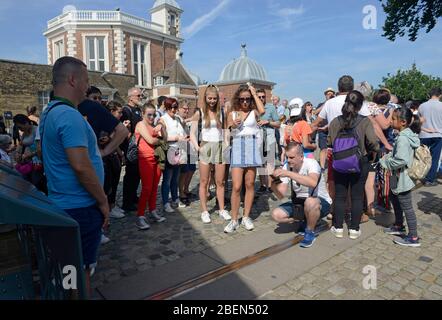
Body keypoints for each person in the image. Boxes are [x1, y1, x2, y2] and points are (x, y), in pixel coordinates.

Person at [39, 56, 108, 295]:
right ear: (72, 79)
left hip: (64, 204)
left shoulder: (50, 112)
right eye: (86, 80)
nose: (88, 87)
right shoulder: (69, 116)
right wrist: (102, 201)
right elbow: (80, 166)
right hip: (80, 208)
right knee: (80, 272)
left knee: (70, 271)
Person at [328, 90, 379, 239]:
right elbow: (373, 142)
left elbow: (330, 142)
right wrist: (374, 151)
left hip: (339, 161)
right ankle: (354, 229)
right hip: (360, 161)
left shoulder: (335, 121)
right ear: (360, 105)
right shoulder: (364, 121)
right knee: (357, 196)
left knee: (339, 196)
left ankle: (338, 228)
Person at [271, 142, 332, 248]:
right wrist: (272, 184)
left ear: (301, 157)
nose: (288, 160)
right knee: (276, 215)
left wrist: (289, 174)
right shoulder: (287, 166)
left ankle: (310, 231)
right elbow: (281, 195)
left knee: (310, 201)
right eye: (287, 157)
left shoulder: (312, 163)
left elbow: (312, 182)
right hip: (299, 202)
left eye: (291, 157)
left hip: (321, 201)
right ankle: (306, 220)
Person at [78, 99, 128, 221]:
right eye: (95, 98)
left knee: (113, 183)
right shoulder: (94, 115)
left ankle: (111, 206)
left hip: (110, 156)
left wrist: (119, 152)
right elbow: (107, 138)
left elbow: (121, 136)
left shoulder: (104, 118)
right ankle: (107, 210)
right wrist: (106, 149)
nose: (98, 101)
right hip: (99, 159)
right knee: (106, 186)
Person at [224, 83, 265, 233]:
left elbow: (262, 110)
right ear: (238, 99)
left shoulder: (254, 111)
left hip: (252, 145)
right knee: (236, 186)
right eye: (242, 99)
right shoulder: (233, 113)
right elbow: (228, 128)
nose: (245, 102)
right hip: (238, 146)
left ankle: (246, 216)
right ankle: (234, 219)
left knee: (249, 184)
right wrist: (234, 125)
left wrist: (254, 93)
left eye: (248, 99)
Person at [381, 107, 421, 247]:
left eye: (393, 119)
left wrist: (386, 161)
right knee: (394, 199)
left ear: (403, 122)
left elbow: (401, 160)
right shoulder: (405, 134)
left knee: (406, 206)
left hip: (402, 178)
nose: (391, 121)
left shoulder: (404, 138)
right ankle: (399, 225)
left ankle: (413, 236)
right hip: (396, 177)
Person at [190, 85, 230, 223]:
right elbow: (192, 133)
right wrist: (198, 147)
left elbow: (226, 130)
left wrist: (226, 144)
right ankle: (205, 211)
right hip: (205, 145)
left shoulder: (222, 112)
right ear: (205, 98)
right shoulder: (199, 113)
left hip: (219, 146)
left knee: (220, 181)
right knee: (204, 181)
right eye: (210, 98)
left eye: (214, 98)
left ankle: (221, 209)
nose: (212, 101)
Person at [135, 102, 167, 230]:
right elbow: (151, 140)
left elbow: (166, 137)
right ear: (143, 114)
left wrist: (162, 126)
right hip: (145, 159)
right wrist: (161, 140)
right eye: (149, 115)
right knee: (147, 188)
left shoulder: (154, 125)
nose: (152, 118)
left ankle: (152, 210)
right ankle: (140, 215)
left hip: (157, 158)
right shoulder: (140, 124)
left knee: (154, 187)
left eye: (153, 115)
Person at [159, 98, 188, 213]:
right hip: (169, 150)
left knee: (175, 178)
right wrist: (176, 138)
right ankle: (166, 202)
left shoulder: (177, 119)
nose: (173, 109)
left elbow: (183, 132)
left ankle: (175, 198)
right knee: (167, 179)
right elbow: (162, 137)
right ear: (166, 107)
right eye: (171, 107)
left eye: (175, 107)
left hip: (179, 150)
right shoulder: (163, 119)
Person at [120, 87, 143, 212]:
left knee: (136, 175)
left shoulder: (138, 110)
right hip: (130, 147)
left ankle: (133, 197)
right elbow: (125, 130)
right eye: (138, 96)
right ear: (130, 97)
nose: (140, 98)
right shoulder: (126, 110)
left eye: (140, 96)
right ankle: (127, 202)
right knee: (130, 176)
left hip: (139, 147)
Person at [12, 114, 46, 193]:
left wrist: (30, 155)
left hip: (38, 163)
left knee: (36, 182)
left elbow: (41, 148)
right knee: (27, 180)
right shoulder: (24, 133)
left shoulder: (36, 130)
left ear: (26, 122)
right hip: (28, 162)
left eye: (20, 127)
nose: (20, 129)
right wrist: (17, 153)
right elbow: (20, 144)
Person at [257, 89, 280, 193]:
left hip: (269, 136)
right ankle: (262, 185)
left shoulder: (271, 107)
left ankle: (270, 185)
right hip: (258, 137)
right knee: (261, 163)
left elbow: (278, 123)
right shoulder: (253, 108)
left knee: (270, 162)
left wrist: (268, 122)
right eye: (259, 97)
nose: (261, 98)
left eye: (263, 96)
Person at [418, 87, 442, 186]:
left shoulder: (422, 106)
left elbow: (419, 121)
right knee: (435, 158)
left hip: (424, 134)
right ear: (440, 95)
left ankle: (420, 175)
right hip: (438, 134)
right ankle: (430, 179)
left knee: (423, 157)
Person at [177, 100, 196, 208]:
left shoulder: (185, 120)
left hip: (191, 148)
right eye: (184, 109)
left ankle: (186, 189)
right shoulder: (177, 118)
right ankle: (181, 193)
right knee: (184, 172)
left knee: (192, 169)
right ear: (179, 109)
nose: (187, 111)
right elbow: (181, 124)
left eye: (188, 109)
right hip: (182, 149)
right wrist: (191, 118)